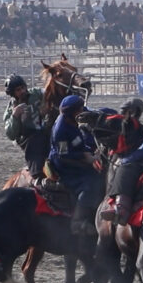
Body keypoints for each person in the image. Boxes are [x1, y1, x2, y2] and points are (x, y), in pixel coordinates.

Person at [46, 95, 101, 234]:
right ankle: (78, 220)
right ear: (72, 113)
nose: (83, 111)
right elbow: (63, 154)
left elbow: (79, 143)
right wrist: (85, 156)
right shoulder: (61, 130)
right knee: (90, 182)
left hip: (78, 154)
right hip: (65, 164)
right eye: (80, 109)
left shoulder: (72, 120)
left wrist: (90, 152)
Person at [2, 74, 48, 183]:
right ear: (12, 93)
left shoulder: (36, 93)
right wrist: (15, 116)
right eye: (18, 90)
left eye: (23, 88)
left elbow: (49, 92)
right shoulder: (11, 110)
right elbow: (11, 134)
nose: (22, 91)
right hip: (27, 138)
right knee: (36, 140)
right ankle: (37, 176)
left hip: (44, 130)